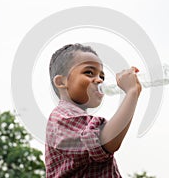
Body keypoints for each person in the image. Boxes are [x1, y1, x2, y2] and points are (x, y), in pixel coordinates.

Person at [45, 43, 142, 177]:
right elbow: (105, 141)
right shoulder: (61, 118)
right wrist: (131, 93)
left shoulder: (81, 121)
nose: (99, 80)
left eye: (101, 76)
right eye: (89, 72)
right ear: (62, 82)